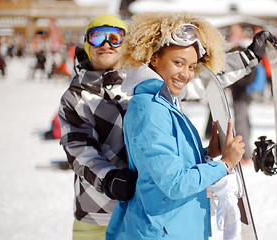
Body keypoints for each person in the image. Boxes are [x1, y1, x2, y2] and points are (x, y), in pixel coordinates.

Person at [58, 14, 277, 240]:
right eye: (98, 37)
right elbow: (79, 150)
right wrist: (109, 179)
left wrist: (248, 57)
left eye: (115, 37)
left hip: (146, 207)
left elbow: (203, 78)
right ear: (86, 42)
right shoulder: (77, 97)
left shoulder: (145, 83)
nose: (107, 44)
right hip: (98, 209)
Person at [105, 12, 247, 240]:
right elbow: (174, 183)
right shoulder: (149, 108)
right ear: (154, 59)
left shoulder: (164, 103)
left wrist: (207, 154)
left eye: (192, 67)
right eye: (178, 62)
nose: (186, 74)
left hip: (174, 226)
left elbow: (168, 164)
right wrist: (225, 164)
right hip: (162, 230)